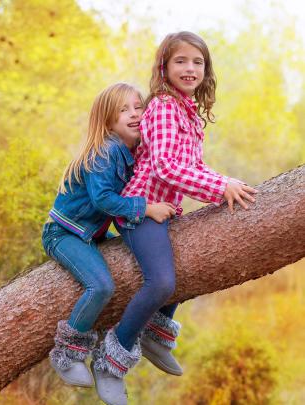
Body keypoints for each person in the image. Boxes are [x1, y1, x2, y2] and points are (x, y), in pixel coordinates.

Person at [91, 32, 258, 405]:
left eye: (197, 62)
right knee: (161, 281)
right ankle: (110, 361)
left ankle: (156, 334)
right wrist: (220, 188)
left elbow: (191, 166)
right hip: (141, 208)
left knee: (187, 265)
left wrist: (223, 181)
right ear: (164, 67)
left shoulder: (186, 110)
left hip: (165, 210)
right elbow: (167, 168)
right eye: (181, 60)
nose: (190, 68)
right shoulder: (165, 107)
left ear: (206, 69)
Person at [42, 83, 175, 401]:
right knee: (101, 286)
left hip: (95, 234)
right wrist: (147, 208)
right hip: (65, 234)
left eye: (137, 107)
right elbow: (103, 200)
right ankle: (67, 354)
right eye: (123, 110)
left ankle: (155, 330)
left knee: (160, 260)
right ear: (107, 122)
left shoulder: (132, 151)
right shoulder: (106, 150)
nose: (133, 114)